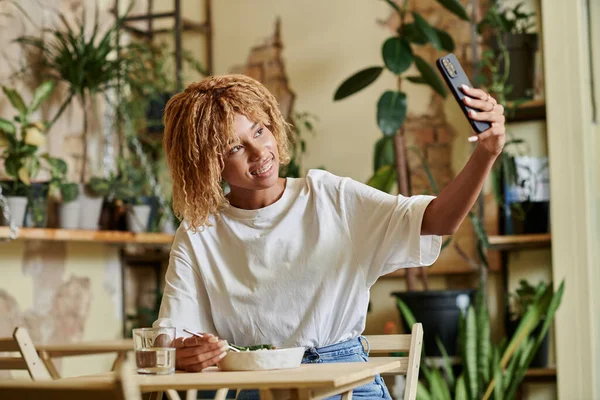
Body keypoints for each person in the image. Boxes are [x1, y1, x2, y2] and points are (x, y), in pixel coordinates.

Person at [156, 74, 505, 399]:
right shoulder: (199, 233)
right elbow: (169, 335)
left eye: (259, 131)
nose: (259, 151)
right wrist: (183, 353)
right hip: (256, 388)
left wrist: (486, 153)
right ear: (206, 163)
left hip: (348, 383)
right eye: (234, 148)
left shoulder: (330, 197)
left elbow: (437, 220)